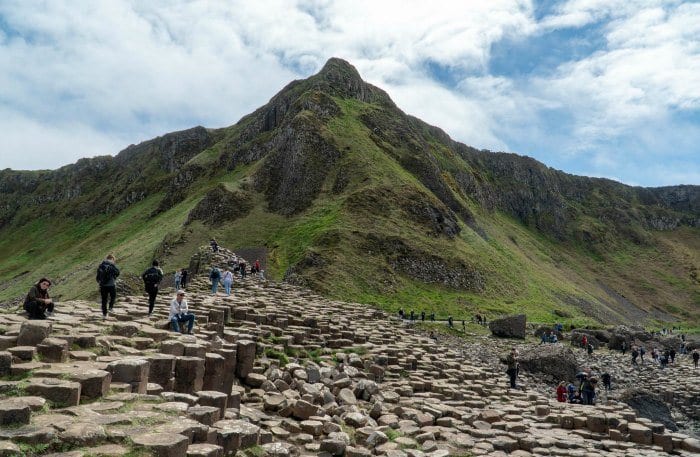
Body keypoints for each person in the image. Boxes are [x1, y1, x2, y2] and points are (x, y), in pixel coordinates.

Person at [96, 254, 120, 319]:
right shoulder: (112, 265)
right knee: (113, 296)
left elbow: (98, 276)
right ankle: (110, 308)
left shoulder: (101, 265)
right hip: (111, 284)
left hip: (103, 285)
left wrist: (100, 282)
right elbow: (117, 273)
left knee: (104, 300)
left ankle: (104, 314)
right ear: (112, 259)